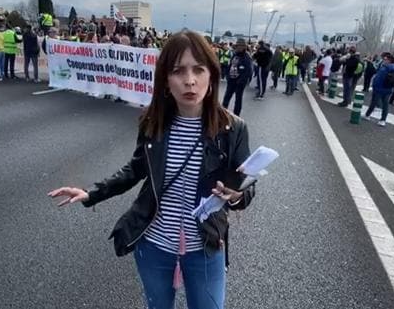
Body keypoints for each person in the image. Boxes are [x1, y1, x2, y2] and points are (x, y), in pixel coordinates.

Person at [48, 31, 256, 309]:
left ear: (211, 75)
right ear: (166, 80)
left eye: (198, 69)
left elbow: (246, 186)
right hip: (154, 245)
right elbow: (135, 169)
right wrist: (91, 193)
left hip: (205, 246)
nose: (189, 80)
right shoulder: (153, 122)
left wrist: (236, 195)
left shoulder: (232, 128)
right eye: (178, 71)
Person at [364, 53, 394, 127]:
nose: (384, 60)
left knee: (374, 103)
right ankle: (383, 120)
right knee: (385, 105)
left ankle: (367, 115)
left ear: (389, 60)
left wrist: (374, 86)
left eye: (385, 59)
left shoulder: (386, 68)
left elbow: (379, 78)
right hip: (388, 89)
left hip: (380, 89)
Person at [222, 43, 253, 115]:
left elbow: (248, 71)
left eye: (239, 46)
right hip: (231, 80)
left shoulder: (247, 57)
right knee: (227, 97)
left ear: (243, 47)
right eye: (237, 47)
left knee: (238, 99)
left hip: (240, 82)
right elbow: (230, 66)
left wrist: (241, 81)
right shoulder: (234, 55)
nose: (238, 48)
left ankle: (236, 115)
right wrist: (227, 76)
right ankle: (223, 112)